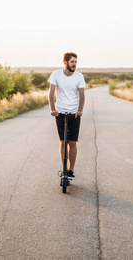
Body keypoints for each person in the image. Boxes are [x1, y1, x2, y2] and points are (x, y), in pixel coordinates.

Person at [48, 52, 86, 180]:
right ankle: (64, 168)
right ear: (65, 62)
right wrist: (53, 109)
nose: (74, 64)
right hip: (60, 112)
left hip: (74, 113)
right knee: (63, 142)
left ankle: (71, 170)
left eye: (76, 62)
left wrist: (80, 110)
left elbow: (82, 95)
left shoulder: (79, 76)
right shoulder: (56, 74)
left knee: (72, 142)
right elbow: (51, 92)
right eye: (72, 62)